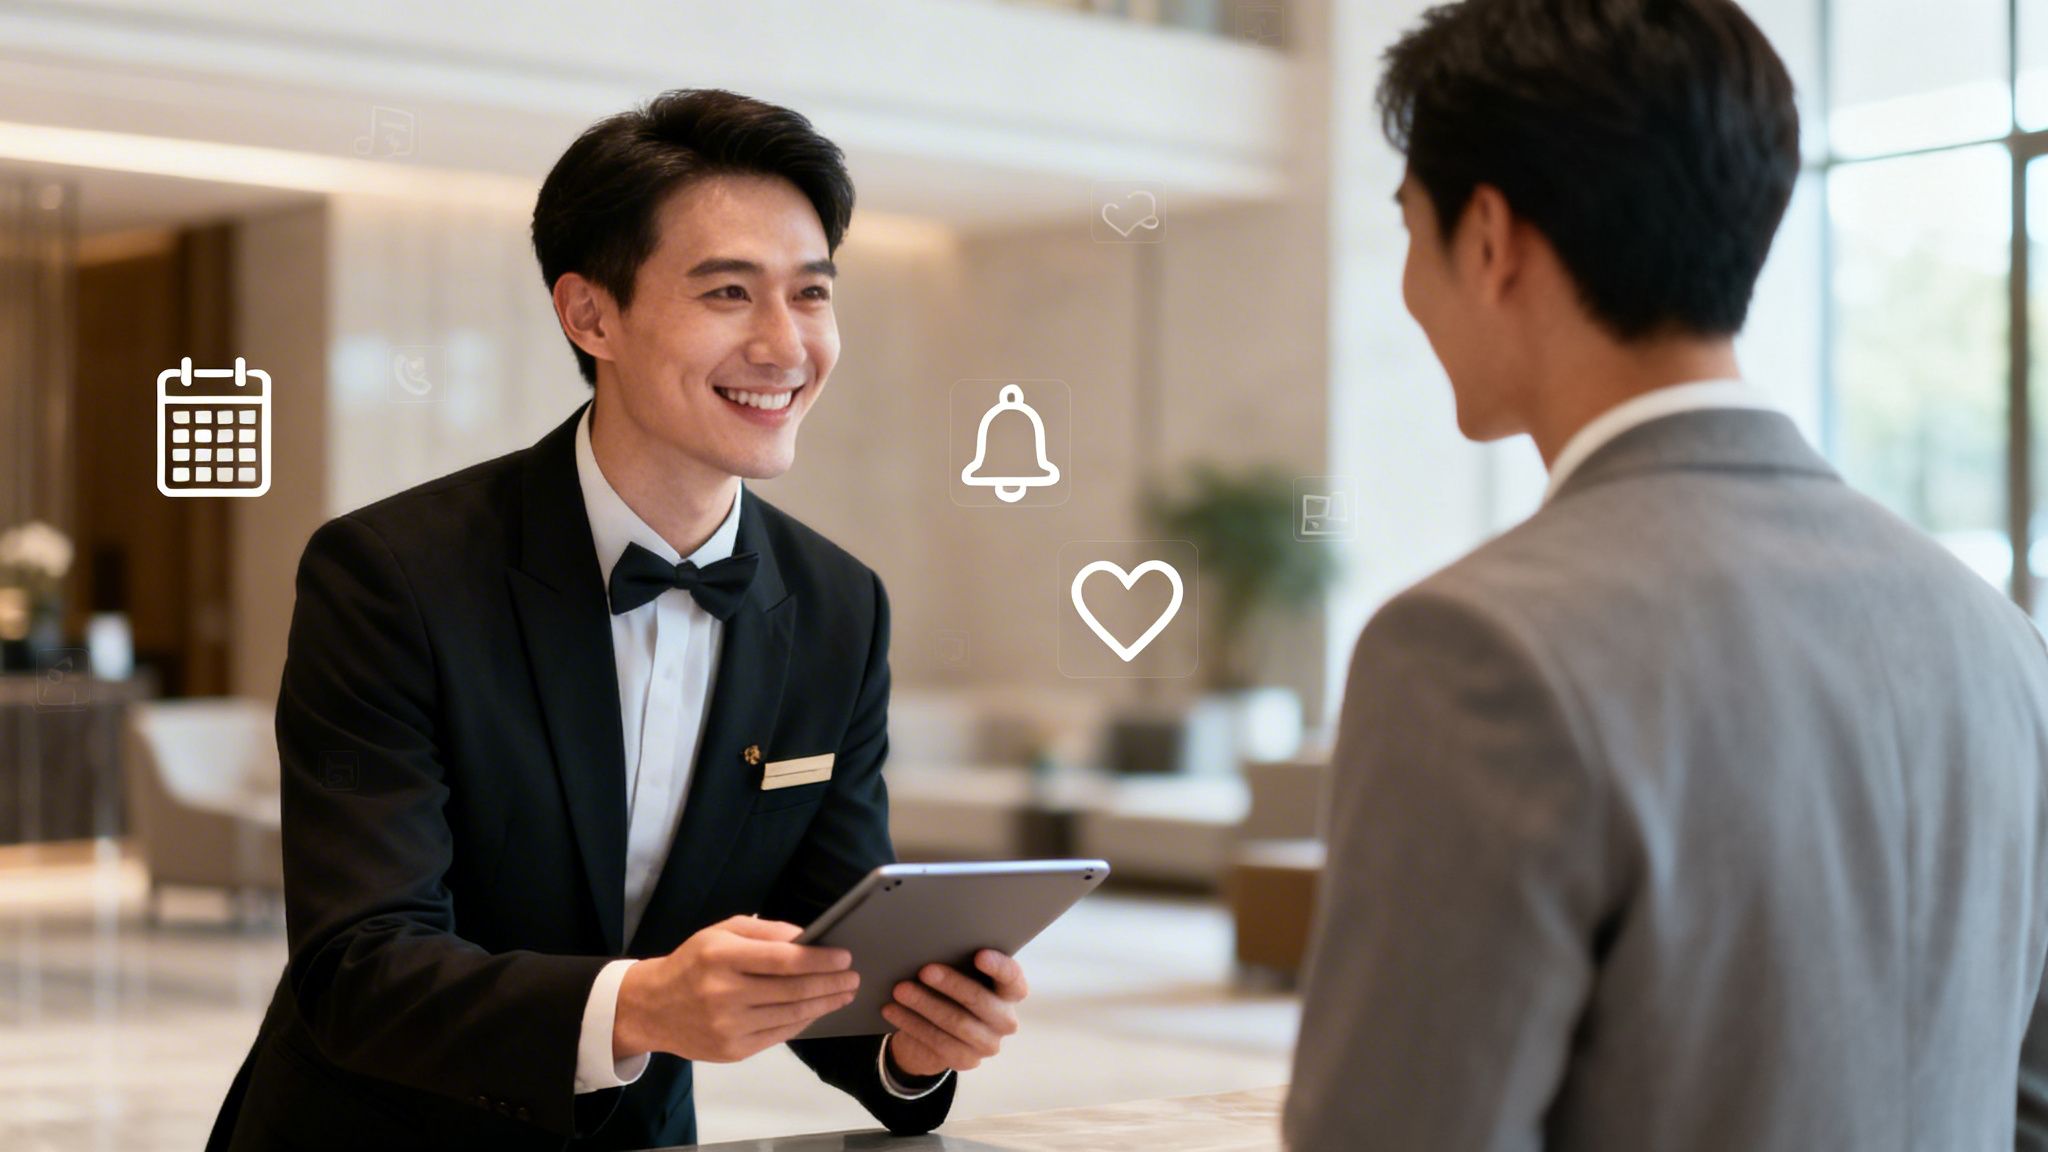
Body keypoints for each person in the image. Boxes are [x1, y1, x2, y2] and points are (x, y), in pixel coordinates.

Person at [1285, 1, 2048, 1148]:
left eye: (1409, 228)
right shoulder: (1994, 639)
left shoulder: (1470, 653)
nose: (1407, 287)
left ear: (1488, 239)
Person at [207, 88, 1030, 1152]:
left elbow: (821, 947)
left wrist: (908, 1045)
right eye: (729, 292)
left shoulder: (836, 606)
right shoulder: (393, 575)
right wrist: (638, 1005)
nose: (785, 345)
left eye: (811, 294)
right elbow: (357, 965)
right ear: (589, 314)